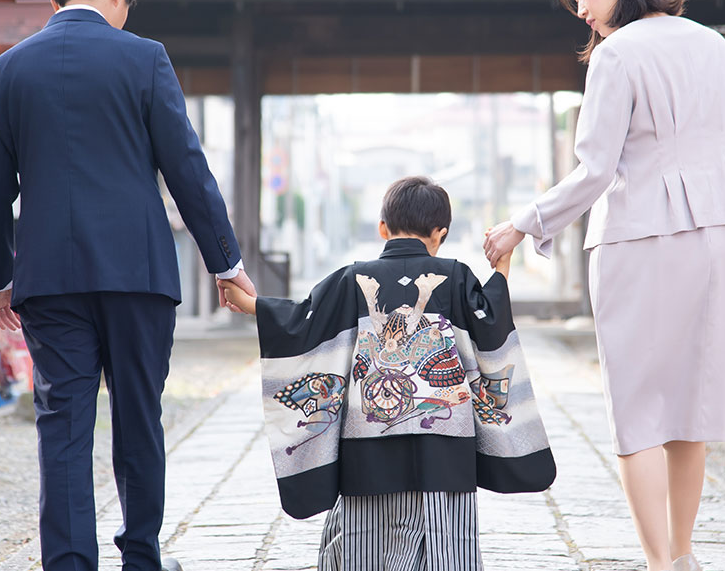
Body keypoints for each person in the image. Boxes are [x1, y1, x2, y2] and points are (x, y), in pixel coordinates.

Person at [481, 0, 725, 571]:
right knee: (693, 406)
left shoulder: (616, 55)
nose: (581, 10)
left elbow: (594, 171)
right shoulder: (716, 47)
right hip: (716, 234)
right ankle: (685, 554)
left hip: (637, 234)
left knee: (637, 408)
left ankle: (659, 564)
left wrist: (520, 225)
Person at [0, 0, 255, 571]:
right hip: (138, 274)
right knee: (138, 415)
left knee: (63, 422)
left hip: (48, 279)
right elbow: (187, 168)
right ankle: (141, 558)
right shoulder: (144, 59)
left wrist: (1, 276)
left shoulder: (9, 70)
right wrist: (226, 265)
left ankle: (69, 563)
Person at [221, 176, 555, 571]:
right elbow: (491, 322)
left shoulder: (351, 278)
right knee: (449, 547)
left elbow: (301, 321)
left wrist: (256, 306)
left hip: (369, 449)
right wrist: (500, 272)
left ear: (383, 228)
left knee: (367, 547)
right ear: (440, 234)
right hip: (444, 449)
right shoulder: (457, 275)